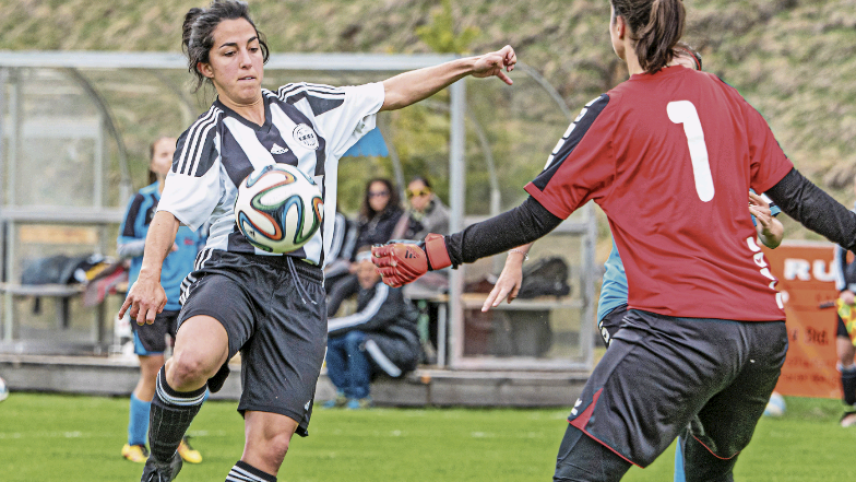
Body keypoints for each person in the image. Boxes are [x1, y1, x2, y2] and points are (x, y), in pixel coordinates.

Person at [372, 0, 856, 480]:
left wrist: (435, 253)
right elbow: (802, 198)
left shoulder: (614, 110)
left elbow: (531, 220)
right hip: (761, 336)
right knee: (708, 474)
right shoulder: (727, 98)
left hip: (678, 327)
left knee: (579, 472)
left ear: (618, 27)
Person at [117, 1, 517, 481]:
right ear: (206, 67)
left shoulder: (306, 106)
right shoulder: (206, 136)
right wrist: (149, 276)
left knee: (272, 447)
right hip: (234, 270)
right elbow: (171, 210)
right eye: (229, 52)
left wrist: (468, 65)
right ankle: (161, 460)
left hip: (304, 286)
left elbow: (389, 92)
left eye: (253, 48)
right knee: (190, 360)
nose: (246, 61)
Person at [117, 137, 205, 465]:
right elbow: (122, 246)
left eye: (176, 153)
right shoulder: (143, 200)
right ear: (153, 163)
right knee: (153, 372)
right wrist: (155, 243)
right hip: (150, 303)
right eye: (164, 154)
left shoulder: (198, 201)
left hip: (188, 300)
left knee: (194, 370)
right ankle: (136, 443)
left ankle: (176, 438)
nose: (171, 159)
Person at [323, 248, 420, 409]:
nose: (364, 275)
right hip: (377, 344)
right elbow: (337, 287)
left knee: (356, 339)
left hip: (401, 352)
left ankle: (360, 396)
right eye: (360, 270)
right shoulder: (363, 284)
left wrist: (324, 326)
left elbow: (368, 319)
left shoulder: (388, 286)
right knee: (334, 340)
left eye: (369, 269)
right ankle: (344, 392)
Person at [833, 176, 856, 427]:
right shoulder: (849, 216)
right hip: (849, 301)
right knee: (845, 354)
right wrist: (843, 289)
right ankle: (851, 409)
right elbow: (837, 253)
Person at [392, 176, 450, 241]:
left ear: (431, 194)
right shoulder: (406, 218)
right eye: (411, 194)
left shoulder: (446, 217)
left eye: (421, 193)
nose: (417, 197)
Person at [355, 178, 404, 250]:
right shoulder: (364, 219)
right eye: (372, 194)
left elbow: (394, 246)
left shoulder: (399, 217)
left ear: (390, 195)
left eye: (382, 193)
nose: (378, 197)